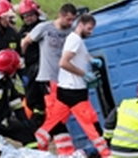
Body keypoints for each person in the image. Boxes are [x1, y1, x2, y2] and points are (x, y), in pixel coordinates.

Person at [36, 14, 110, 158]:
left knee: (51, 125)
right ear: (81, 24)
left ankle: (39, 151)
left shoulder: (76, 40)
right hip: (74, 92)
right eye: (89, 29)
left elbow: (80, 55)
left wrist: (91, 59)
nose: (91, 32)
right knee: (92, 126)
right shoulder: (74, 40)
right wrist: (83, 74)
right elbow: (63, 62)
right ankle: (106, 154)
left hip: (68, 91)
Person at [20, 3, 77, 146]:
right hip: (48, 78)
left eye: (73, 20)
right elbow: (25, 41)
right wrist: (21, 60)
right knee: (55, 113)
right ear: (61, 15)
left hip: (65, 79)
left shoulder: (72, 32)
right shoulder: (45, 28)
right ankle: (55, 147)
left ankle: (41, 139)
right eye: (69, 19)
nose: (71, 23)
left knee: (60, 114)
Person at [16, 0, 46, 87]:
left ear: (36, 14)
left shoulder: (43, 26)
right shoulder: (22, 31)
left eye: (31, 15)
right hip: (29, 67)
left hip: (42, 65)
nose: (28, 18)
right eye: (25, 16)